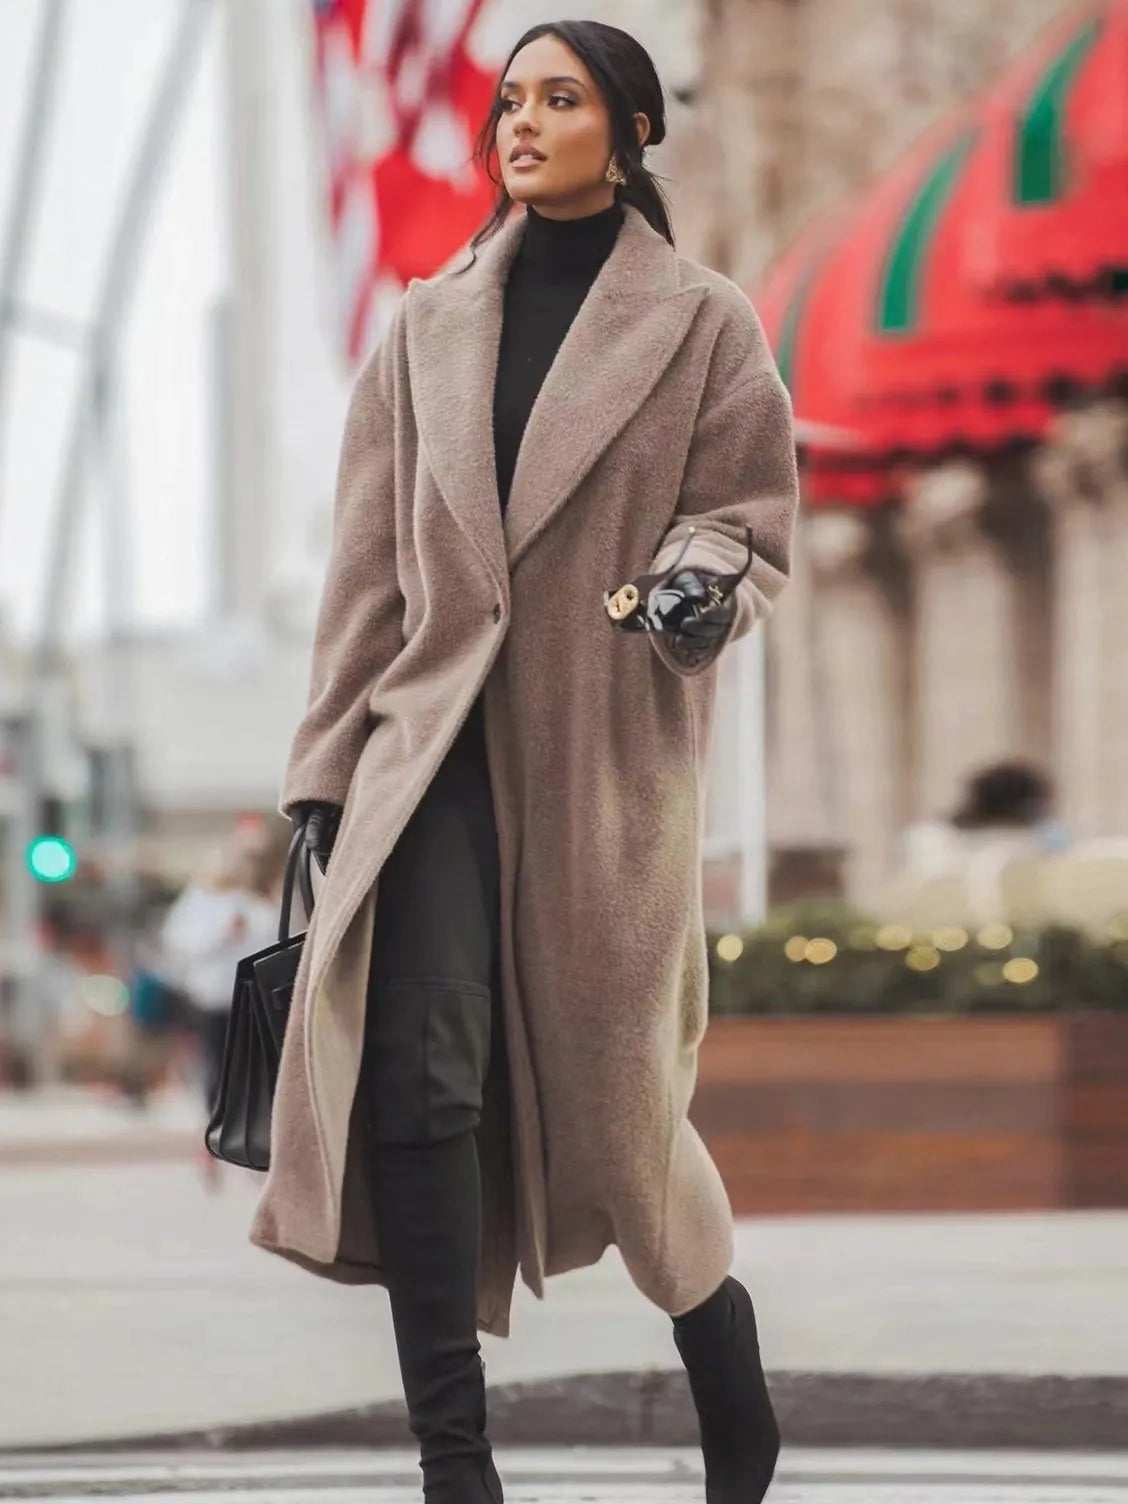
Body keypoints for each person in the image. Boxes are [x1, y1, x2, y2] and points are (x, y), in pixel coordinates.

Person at [251, 21, 798, 1504]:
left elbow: (747, 517)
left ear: (628, 131)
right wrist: (322, 774)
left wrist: (698, 577)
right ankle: (456, 1460)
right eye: (510, 99)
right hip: (426, 757)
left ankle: (721, 1355)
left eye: (560, 98)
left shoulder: (700, 323)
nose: (522, 120)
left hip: (602, 756)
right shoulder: (428, 325)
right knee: (422, 1096)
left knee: (624, 1119)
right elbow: (370, 569)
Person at [161, 842, 279, 1125]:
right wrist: (221, 934)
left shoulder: (254, 904)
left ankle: (245, 1122)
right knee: (216, 1062)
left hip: (247, 997)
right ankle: (215, 1120)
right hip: (211, 997)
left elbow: (269, 942)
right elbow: (180, 944)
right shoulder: (197, 903)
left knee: (248, 1063)